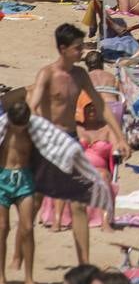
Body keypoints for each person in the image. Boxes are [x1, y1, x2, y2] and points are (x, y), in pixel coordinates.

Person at [29, 24, 130, 265]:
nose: (82, 51)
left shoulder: (80, 75)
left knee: (78, 205)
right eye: (77, 48)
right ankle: (23, 252)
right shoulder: (47, 74)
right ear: (63, 49)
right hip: (48, 143)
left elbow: (102, 107)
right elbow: (32, 108)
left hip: (72, 141)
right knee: (33, 205)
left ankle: (84, 264)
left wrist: (120, 137)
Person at [0, 92, 36, 284]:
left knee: (28, 227)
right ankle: (1, 277)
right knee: (2, 228)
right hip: (3, 179)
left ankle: (29, 278)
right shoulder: (3, 131)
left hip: (24, 179)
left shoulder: (33, 132)